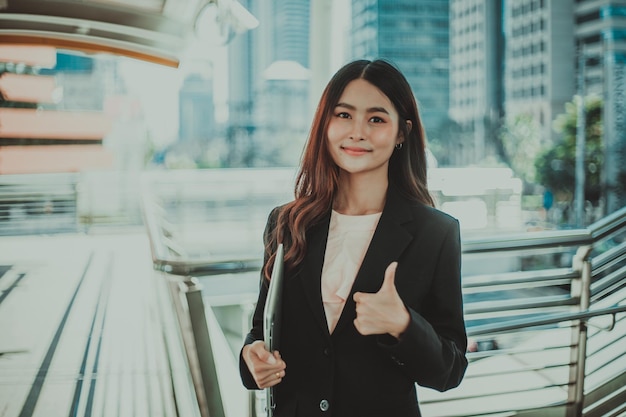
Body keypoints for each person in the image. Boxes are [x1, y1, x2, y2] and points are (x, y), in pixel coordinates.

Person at [240, 59, 467, 417]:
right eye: (343, 115)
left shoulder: (436, 233)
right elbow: (261, 331)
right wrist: (251, 359)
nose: (357, 132)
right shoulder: (286, 223)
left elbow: (450, 370)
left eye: (376, 119)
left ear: (402, 133)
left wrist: (404, 326)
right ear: (325, 124)